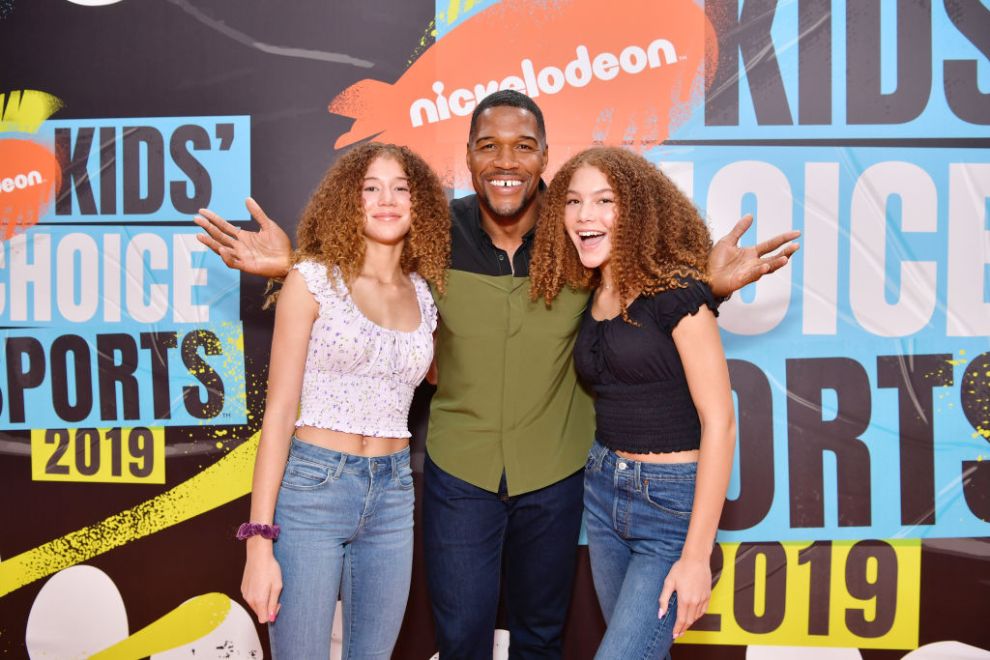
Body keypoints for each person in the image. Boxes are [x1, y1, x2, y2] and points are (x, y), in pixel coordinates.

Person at [196, 90, 798, 659]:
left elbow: (641, 296)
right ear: (468, 157)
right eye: (489, 145)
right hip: (458, 474)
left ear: (544, 158)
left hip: (558, 475)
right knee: (461, 639)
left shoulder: (577, 239)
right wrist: (294, 265)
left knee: (541, 637)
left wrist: (707, 288)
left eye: (523, 145)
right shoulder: (431, 238)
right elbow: (364, 277)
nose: (505, 160)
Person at [230, 142, 449, 659]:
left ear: (420, 205)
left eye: (401, 188)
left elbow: (438, 374)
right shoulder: (310, 281)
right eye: (370, 188)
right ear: (348, 203)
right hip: (313, 490)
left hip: (393, 494)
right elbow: (279, 413)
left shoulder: (424, 292)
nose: (387, 199)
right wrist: (259, 541)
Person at [530, 147, 734, 658]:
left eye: (604, 200)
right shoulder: (591, 295)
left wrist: (695, 556)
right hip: (602, 493)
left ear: (637, 210)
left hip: (670, 506)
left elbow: (721, 422)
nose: (584, 215)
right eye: (573, 202)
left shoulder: (679, 293)